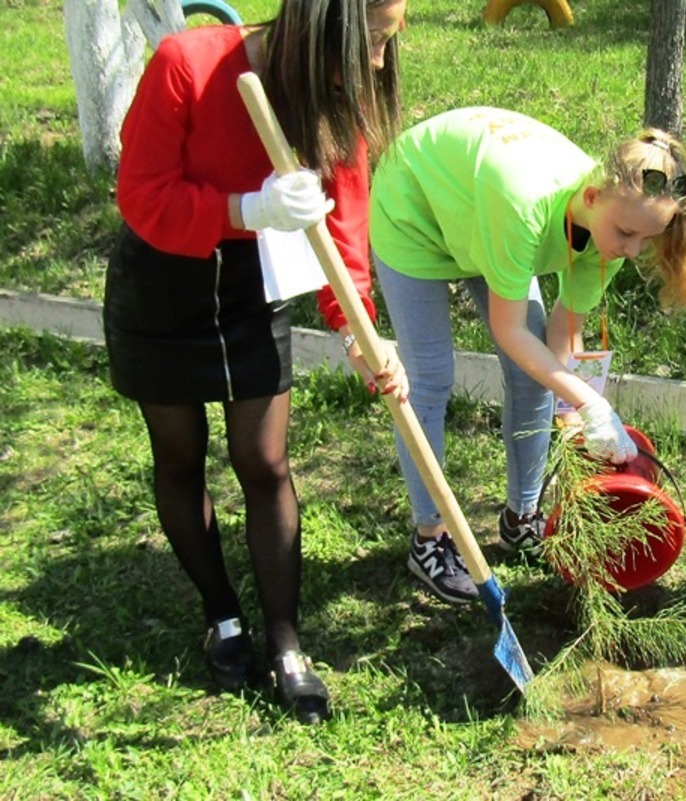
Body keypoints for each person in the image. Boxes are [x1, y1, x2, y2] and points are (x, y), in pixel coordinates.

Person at [103, 0, 408, 724]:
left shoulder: (336, 100)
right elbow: (141, 196)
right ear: (320, 21)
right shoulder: (190, 64)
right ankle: (222, 615)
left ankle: (285, 641)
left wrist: (361, 330)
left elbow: (344, 223)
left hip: (249, 287)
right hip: (162, 278)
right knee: (180, 456)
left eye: (388, 43)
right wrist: (245, 208)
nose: (375, 62)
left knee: (264, 461)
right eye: (369, 40)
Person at [367, 107, 686, 604]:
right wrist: (593, 405)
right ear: (591, 198)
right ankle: (430, 539)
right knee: (429, 379)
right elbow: (510, 332)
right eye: (628, 235)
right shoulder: (524, 204)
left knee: (533, 382)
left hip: (482, 218)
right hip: (417, 209)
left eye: (647, 239)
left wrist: (574, 408)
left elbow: (560, 341)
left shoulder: (608, 231)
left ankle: (520, 519)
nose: (634, 251)